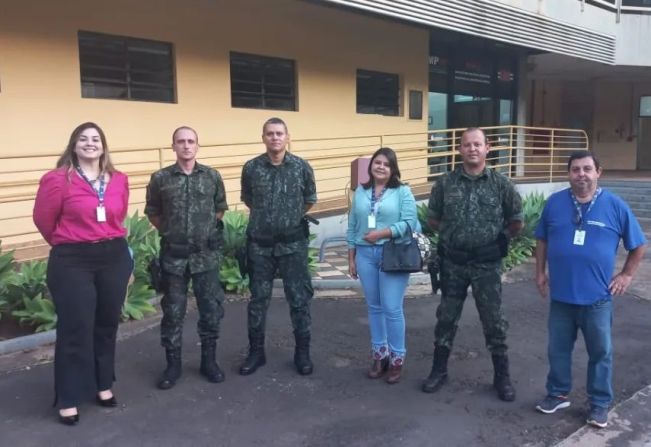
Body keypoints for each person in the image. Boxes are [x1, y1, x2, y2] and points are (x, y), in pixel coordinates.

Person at [534, 151, 647, 428]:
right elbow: (542, 240)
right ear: (569, 174)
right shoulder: (555, 204)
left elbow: (638, 244)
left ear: (599, 172)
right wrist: (539, 272)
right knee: (558, 350)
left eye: (587, 169)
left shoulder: (615, 206)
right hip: (561, 298)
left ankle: (598, 404)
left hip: (597, 299)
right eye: (575, 169)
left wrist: (626, 275)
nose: (581, 174)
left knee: (600, 353)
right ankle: (558, 393)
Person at [33, 122, 132, 425]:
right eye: (83, 139)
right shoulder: (57, 180)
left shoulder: (118, 179)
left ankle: (103, 385)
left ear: (103, 145)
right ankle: (68, 397)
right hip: (72, 261)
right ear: (73, 145)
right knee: (75, 328)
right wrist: (70, 244)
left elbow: (119, 217)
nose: (90, 143)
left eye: (96, 139)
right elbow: (44, 221)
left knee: (106, 325)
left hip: (113, 256)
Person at [422, 127, 523, 401]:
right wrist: (452, 236)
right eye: (467, 145)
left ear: (487, 148)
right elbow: (433, 218)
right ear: (459, 149)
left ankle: (502, 377)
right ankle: (439, 371)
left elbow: (516, 220)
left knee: (493, 320)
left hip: (486, 266)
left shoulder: (501, 184)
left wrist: (499, 242)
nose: (472, 149)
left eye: (478, 144)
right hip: (453, 263)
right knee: (445, 318)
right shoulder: (445, 183)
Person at [145, 126, 228, 390]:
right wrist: (176, 234)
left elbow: (219, 210)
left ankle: (209, 361)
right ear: (173, 147)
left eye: (191, 141)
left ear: (197, 146)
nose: (186, 146)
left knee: (211, 310)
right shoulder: (160, 178)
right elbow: (154, 214)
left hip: (206, 257)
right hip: (174, 258)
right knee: (173, 313)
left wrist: (200, 235)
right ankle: (173, 365)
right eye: (181, 141)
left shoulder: (212, 177)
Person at [238, 117, 317, 376]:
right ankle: (256, 352)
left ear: (287, 137)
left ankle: (302, 353)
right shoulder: (251, 168)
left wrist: (287, 219)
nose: (275, 138)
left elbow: (308, 201)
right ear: (263, 137)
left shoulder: (302, 167)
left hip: (293, 245)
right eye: (270, 133)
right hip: (260, 247)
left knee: (299, 300)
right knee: (258, 301)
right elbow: (249, 199)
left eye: (279, 133)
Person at [346, 147, 418, 384]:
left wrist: (381, 233)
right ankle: (380, 356)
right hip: (365, 254)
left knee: (391, 307)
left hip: (392, 254)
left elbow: (409, 223)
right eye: (377, 162)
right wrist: (351, 257)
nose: (381, 167)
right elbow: (353, 225)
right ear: (371, 166)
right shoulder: (361, 192)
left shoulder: (403, 191)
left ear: (393, 169)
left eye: (386, 164)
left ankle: (397, 359)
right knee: (374, 307)